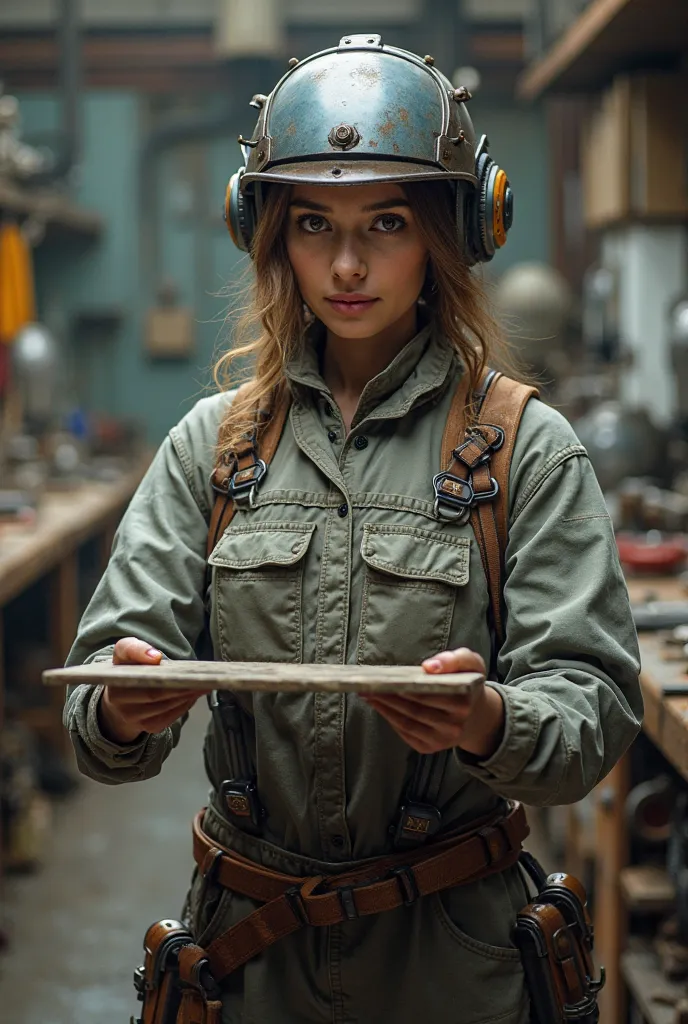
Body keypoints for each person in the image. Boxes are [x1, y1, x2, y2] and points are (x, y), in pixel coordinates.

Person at [64, 35, 642, 1024]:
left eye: (383, 222)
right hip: (249, 961)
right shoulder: (214, 448)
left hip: (452, 959)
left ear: (450, 232)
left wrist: (489, 723)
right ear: (270, 235)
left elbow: (591, 708)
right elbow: (94, 716)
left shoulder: (523, 450)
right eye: (312, 224)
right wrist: (122, 706)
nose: (344, 263)